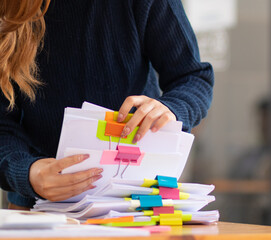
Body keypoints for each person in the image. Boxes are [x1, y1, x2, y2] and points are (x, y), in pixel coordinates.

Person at [0, 0, 214, 209]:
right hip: (37, 210)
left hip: (137, 205)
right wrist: (26, 172)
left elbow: (193, 77)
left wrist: (171, 108)